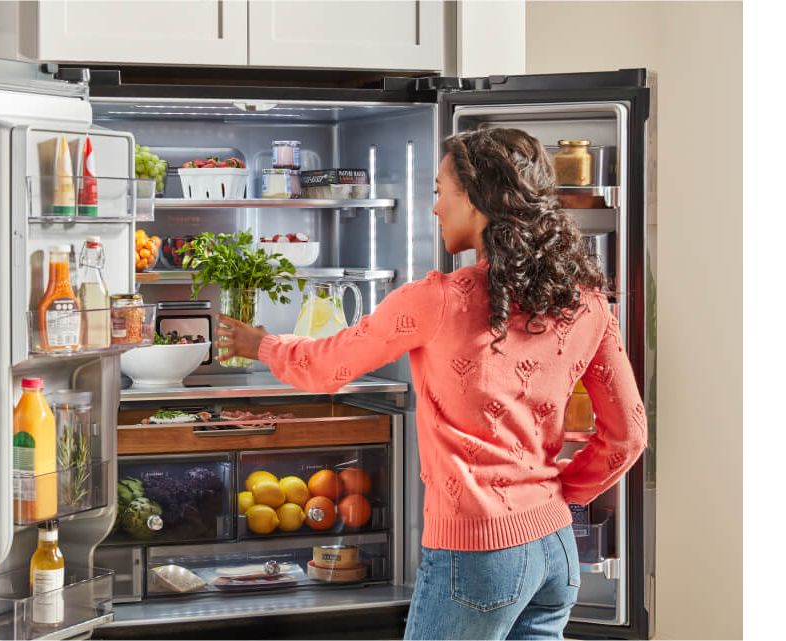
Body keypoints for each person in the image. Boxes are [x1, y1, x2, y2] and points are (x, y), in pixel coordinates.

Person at [215, 128, 650, 640]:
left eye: (441, 190)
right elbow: (628, 436)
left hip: (478, 551)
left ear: (475, 196)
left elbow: (325, 367)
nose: (435, 208)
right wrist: (556, 494)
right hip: (555, 546)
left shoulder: (439, 299)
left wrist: (261, 345)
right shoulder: (587, 301)